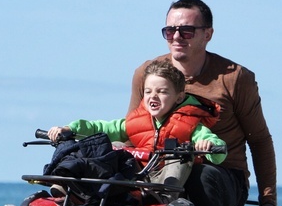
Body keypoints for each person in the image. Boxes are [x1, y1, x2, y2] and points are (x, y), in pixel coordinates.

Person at [128, 0, 282, 206]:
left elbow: (260, 140)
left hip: (221, 175)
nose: (176, 37)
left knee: (202, 176)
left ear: (207, 34)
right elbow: (133, 129)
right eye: (170, 30)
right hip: (160, 171)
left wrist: (268, 199)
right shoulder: (147, 73)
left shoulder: (234, 78)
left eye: (186, 31)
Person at [48, 59, 227, 196]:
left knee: (180, 157)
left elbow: (215, 146)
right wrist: (70, 129)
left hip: (166, 179)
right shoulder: (137, 120)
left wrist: (207, 145)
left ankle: (163, 201)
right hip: (134, 175)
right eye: (148, 91)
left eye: (162, 91)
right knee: (106, 146)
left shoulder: (190, 123)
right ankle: (70, 185)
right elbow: (103, 127)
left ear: (178, 97)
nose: (153, 96)